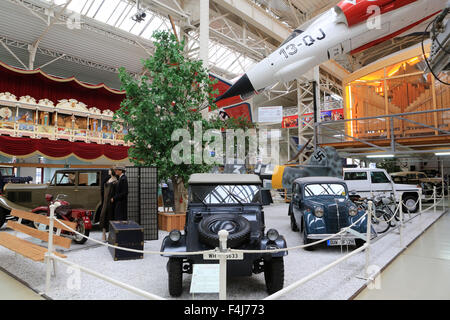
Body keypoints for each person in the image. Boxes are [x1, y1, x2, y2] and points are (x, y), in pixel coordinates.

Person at [99, 169, 118, 241]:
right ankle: (103, 234)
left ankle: (110, 235)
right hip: (105, 201)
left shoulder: (115, 180)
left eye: (110, 170)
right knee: (103, 216)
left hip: (110, 202)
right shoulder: (108, 179)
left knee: (110, 217)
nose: (108, 171)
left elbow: (115, 192)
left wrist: (113, 198)